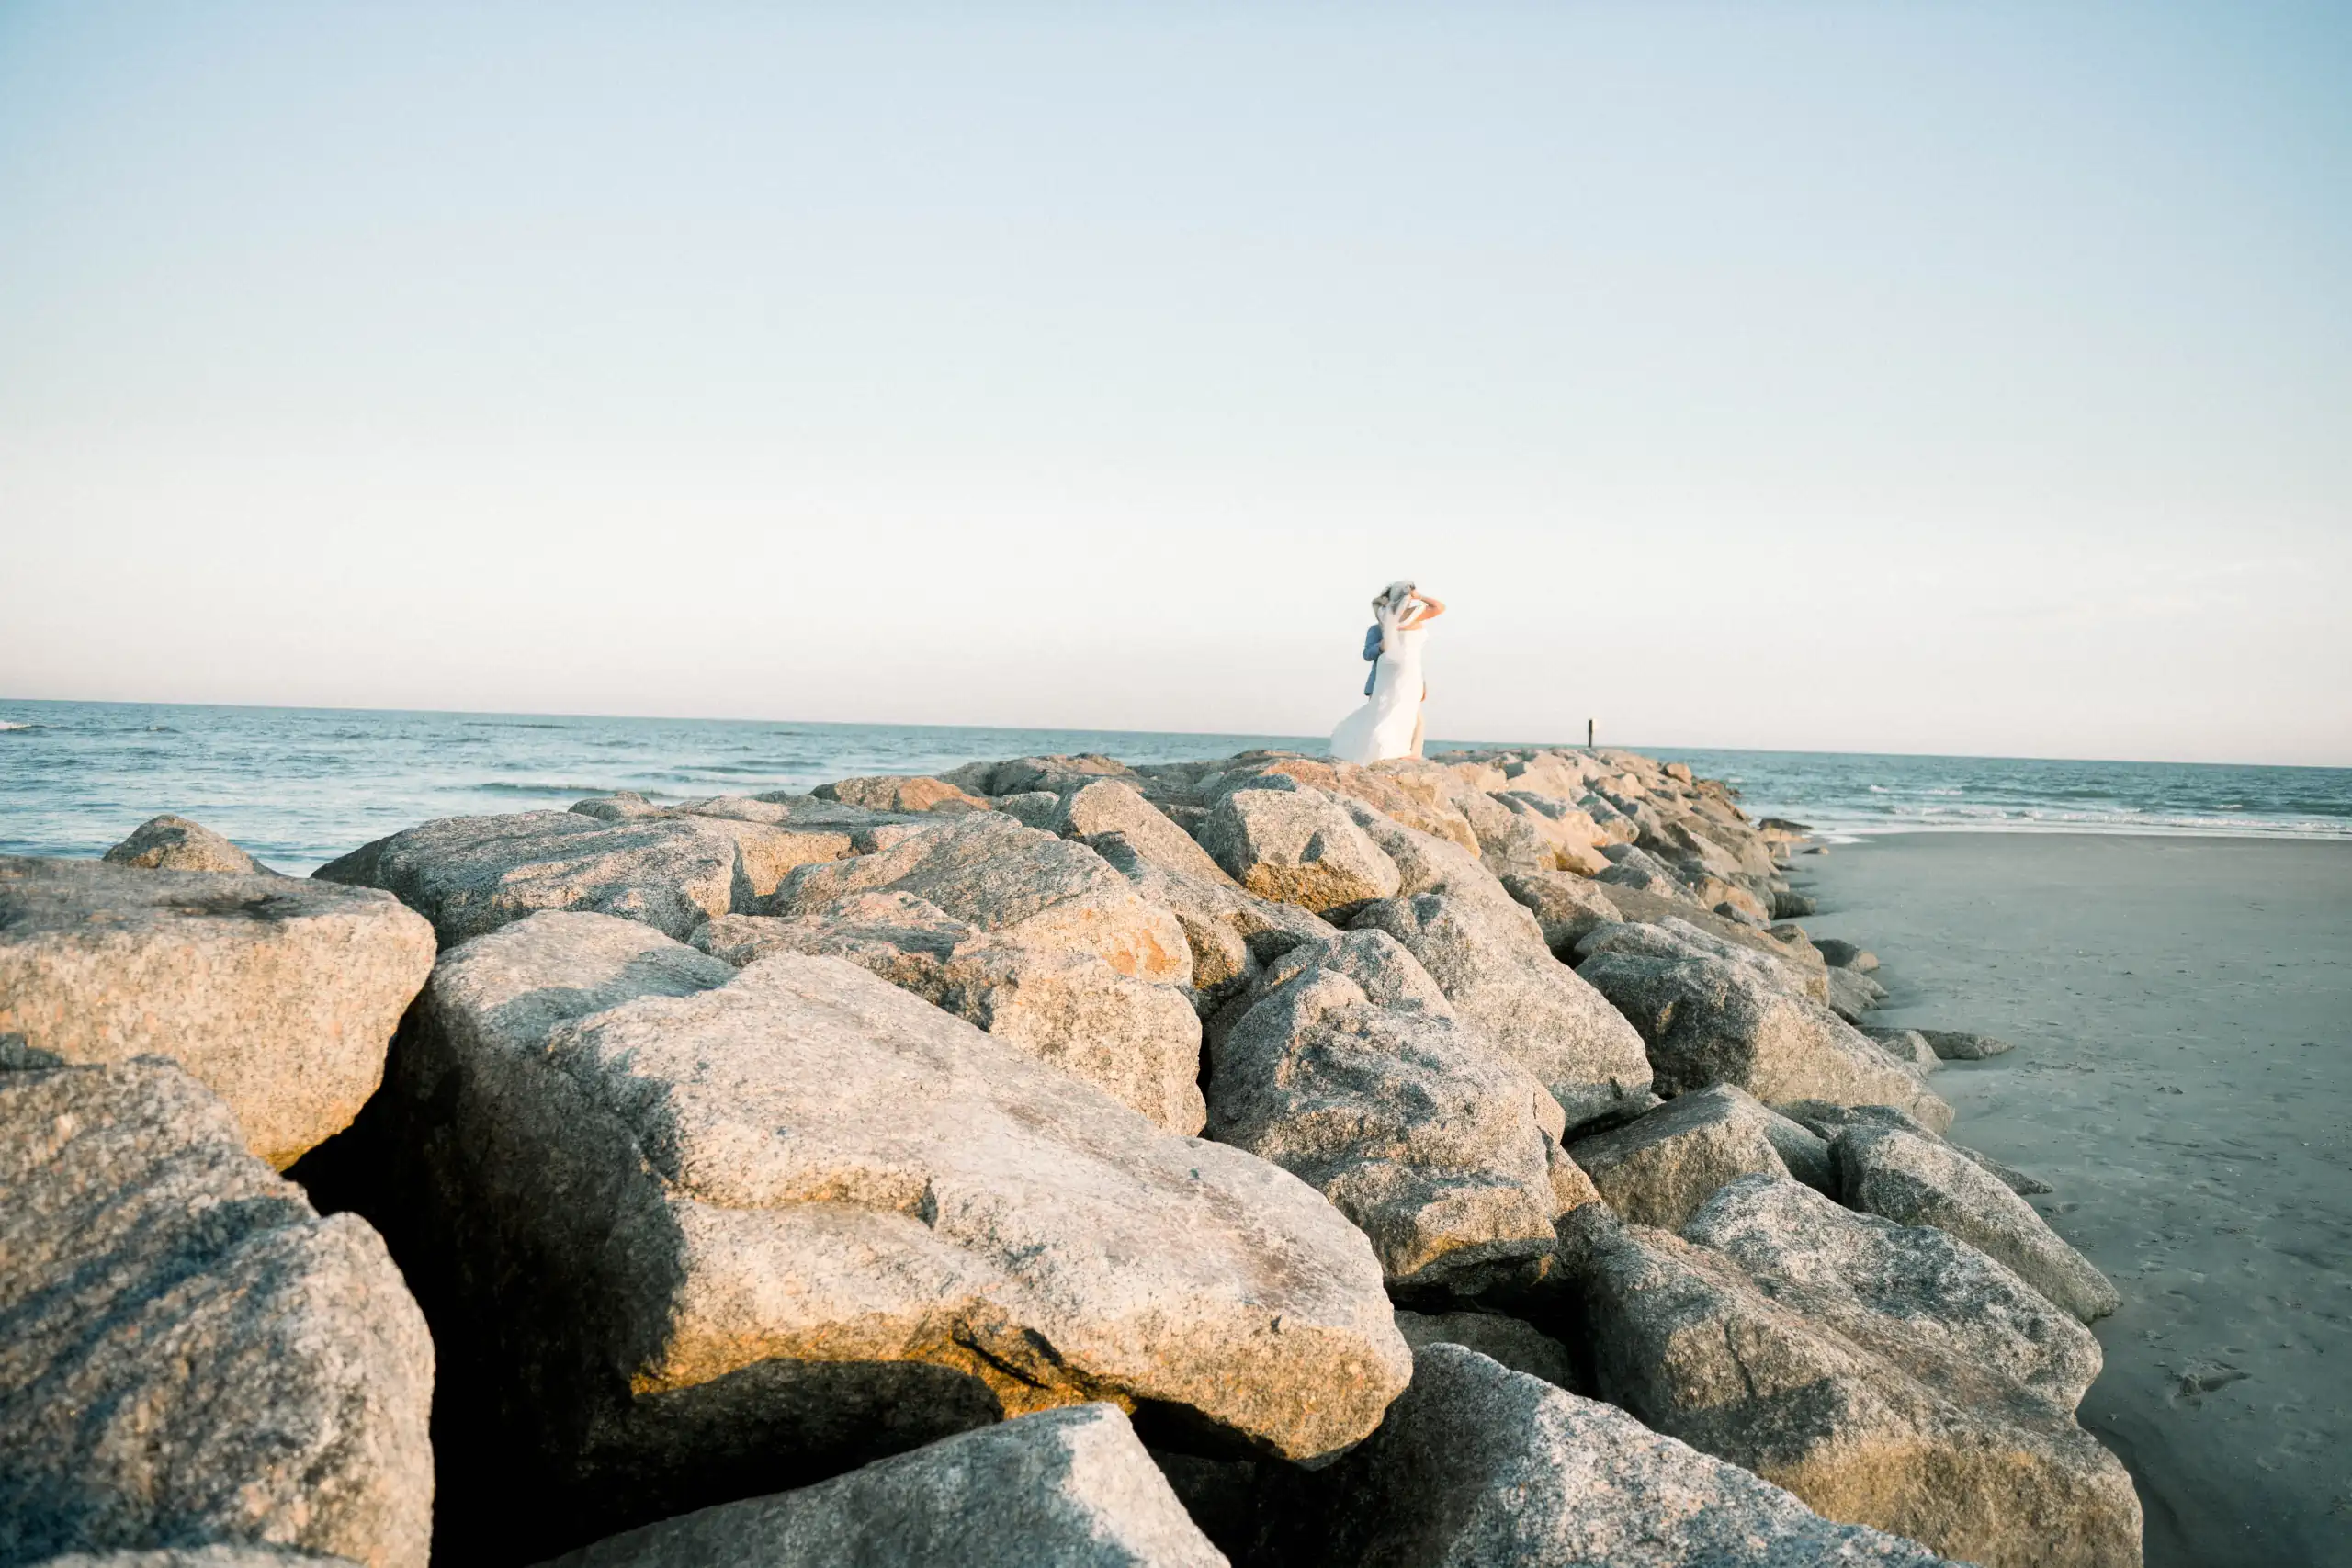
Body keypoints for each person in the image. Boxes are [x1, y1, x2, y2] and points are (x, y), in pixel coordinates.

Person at [1329, 581, 1445, 763]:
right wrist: (1381, 647)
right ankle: (1388, 750)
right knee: (1387, 714)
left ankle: (1406, 751)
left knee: (1408, 715)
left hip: (1409, 672)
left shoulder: (1399, 617)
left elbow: (1376, 604)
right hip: (1387, 676)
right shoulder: (1380, 627)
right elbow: (1368, 654)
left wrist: (1422, 682)